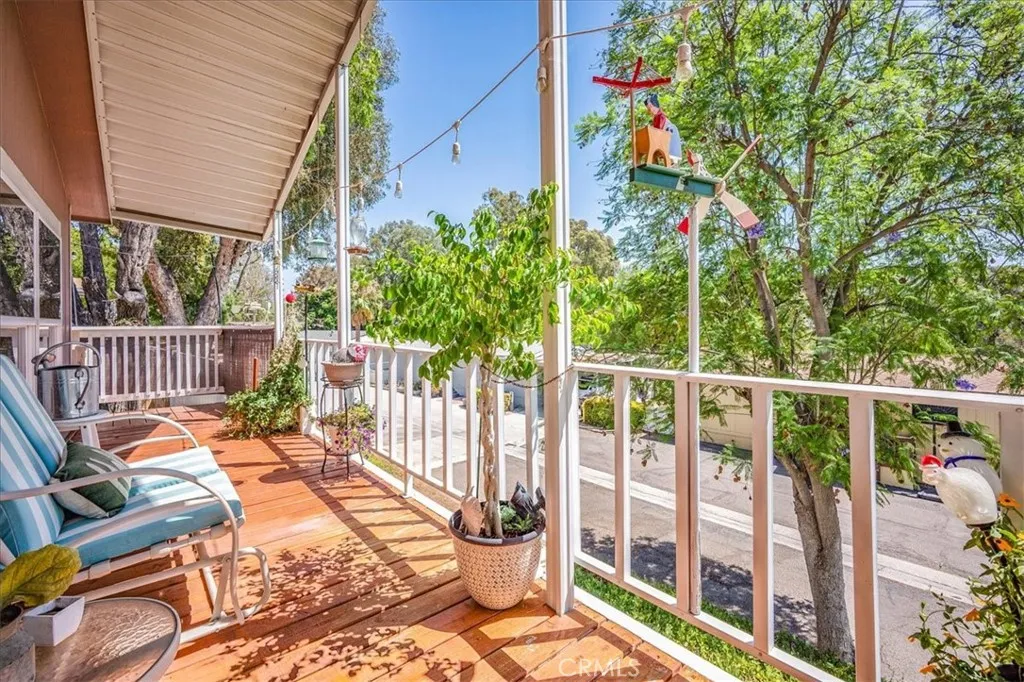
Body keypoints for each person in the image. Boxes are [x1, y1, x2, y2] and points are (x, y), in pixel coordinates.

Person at [644, 94, 682, 164]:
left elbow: (659, 130)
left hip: (668, 137)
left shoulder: (660, 116)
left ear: (656, 104)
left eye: (651, 107)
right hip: (663, 137)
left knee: (654, 148)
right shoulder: (656, 118)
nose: (651, 110)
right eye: (649, 108)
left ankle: (668, 162)